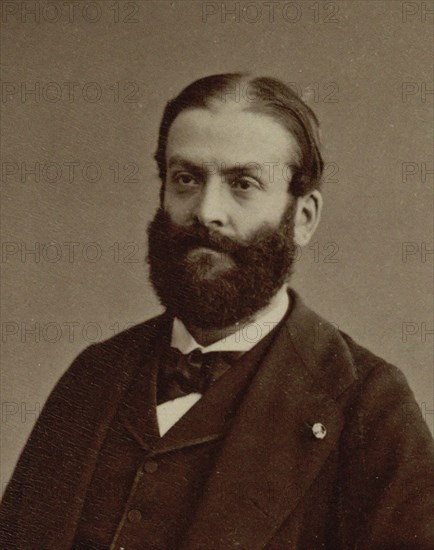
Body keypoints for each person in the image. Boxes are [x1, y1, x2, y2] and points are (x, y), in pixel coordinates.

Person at [1, 73, 432, 550]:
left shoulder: (369, 404)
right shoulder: (95, 373)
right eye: (186, 179)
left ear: (303, 218)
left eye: (242, 184)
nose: (206, 211)